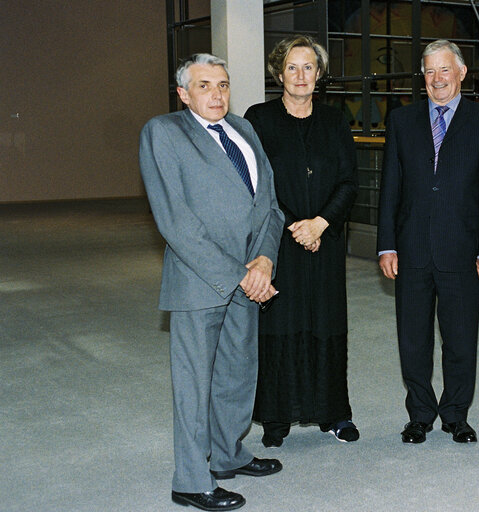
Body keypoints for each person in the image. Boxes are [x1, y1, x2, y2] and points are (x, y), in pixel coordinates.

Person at [139, 53, 285, 511]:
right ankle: (190, 479)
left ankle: (227, 454)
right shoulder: (163, 133)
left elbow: (270, 205)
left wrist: (263, 261)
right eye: (204, 86)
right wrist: (239, 274)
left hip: (250, 276)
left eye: (222, 85)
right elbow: (176, 221)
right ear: (183, 94)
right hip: (201, 280)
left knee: (237, 374)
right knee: (194, 383)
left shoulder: (244, 129)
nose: (217, 94)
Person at [377, 39, 479, 444]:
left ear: (462, 72)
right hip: (411, 248)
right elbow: (390, 187)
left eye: (444, 70)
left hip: (463, 251)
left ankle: (455, 415)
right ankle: (419, 415)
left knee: (461, 340)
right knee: (413, 341)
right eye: (429, 71)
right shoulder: (402, 120)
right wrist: (386, 244)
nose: (437, 79)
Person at [243, 35, 359, 447]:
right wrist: (296, 226)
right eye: (292, 67)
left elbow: (349, 181)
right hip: (277, 243)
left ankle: (334, 413)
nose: (301, 75)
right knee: (279, 325)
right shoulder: (258, 119)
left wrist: (320, 224)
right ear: (279, 73)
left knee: (326, 325)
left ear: (319, 74)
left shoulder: (335, 120)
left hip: (324, 243)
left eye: (308, 67)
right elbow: (253, 184)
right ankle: (276, 419)